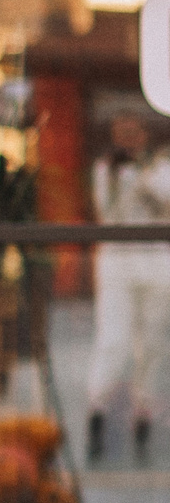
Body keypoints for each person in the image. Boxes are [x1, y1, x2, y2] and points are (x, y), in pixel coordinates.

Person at [88, 114, 170, 463]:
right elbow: (109, 213)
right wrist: (128, 176)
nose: (127, 139)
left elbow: (165, 208)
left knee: (151, 342)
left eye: (133, 132)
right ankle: (97, 411)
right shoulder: (106, 170)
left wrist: (146, 174)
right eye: (121, 133)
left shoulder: (161, 168)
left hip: (155, 261)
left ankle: (144, 415)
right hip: (117, 261)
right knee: (115, 339)